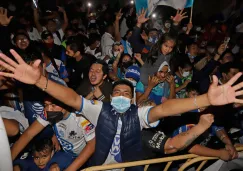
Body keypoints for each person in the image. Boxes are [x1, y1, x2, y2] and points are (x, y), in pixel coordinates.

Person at [1, 50, 243, 169]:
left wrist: (203, 100)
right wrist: (40, 82)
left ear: (133, 99)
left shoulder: (137, 114)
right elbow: (73, 99)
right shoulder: (100, 109)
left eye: (127, 94)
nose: (120, 96)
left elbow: (164, 109)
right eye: (116, 92)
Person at [10, 77, 96, 171]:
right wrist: (7, 161)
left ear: (65, 102)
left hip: (86, 155)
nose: (48, 109)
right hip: (67, 153)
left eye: (53, 105)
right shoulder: (48, 112)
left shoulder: (81, 116)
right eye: (46, 105)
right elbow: (28, 134)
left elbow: (91, 145)